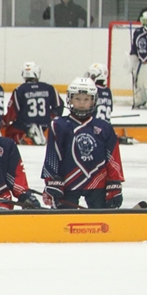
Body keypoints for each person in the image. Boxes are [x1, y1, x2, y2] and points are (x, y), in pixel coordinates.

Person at [41, 78, 124, 209]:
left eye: (86, 99)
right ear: (70, 99)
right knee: (64, 221)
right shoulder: (58, 125)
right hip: (68, 182)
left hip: (98, 182)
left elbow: (113, 159)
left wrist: (114, 184)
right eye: (77, 99)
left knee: (101, 219)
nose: (81, 103)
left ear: (93, 100)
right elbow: (53, 156)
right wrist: (52, 180)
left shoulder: (104, 127)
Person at [2, 62, 60, 144]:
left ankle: (25, 137)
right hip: (45, 124)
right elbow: (59, 106)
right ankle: (45, 134)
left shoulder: (19, 90)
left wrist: (4, 122)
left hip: (24, 125)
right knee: (54, 129)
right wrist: (50, 117)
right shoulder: (49, 88)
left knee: (8, 133)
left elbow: (12, 112)